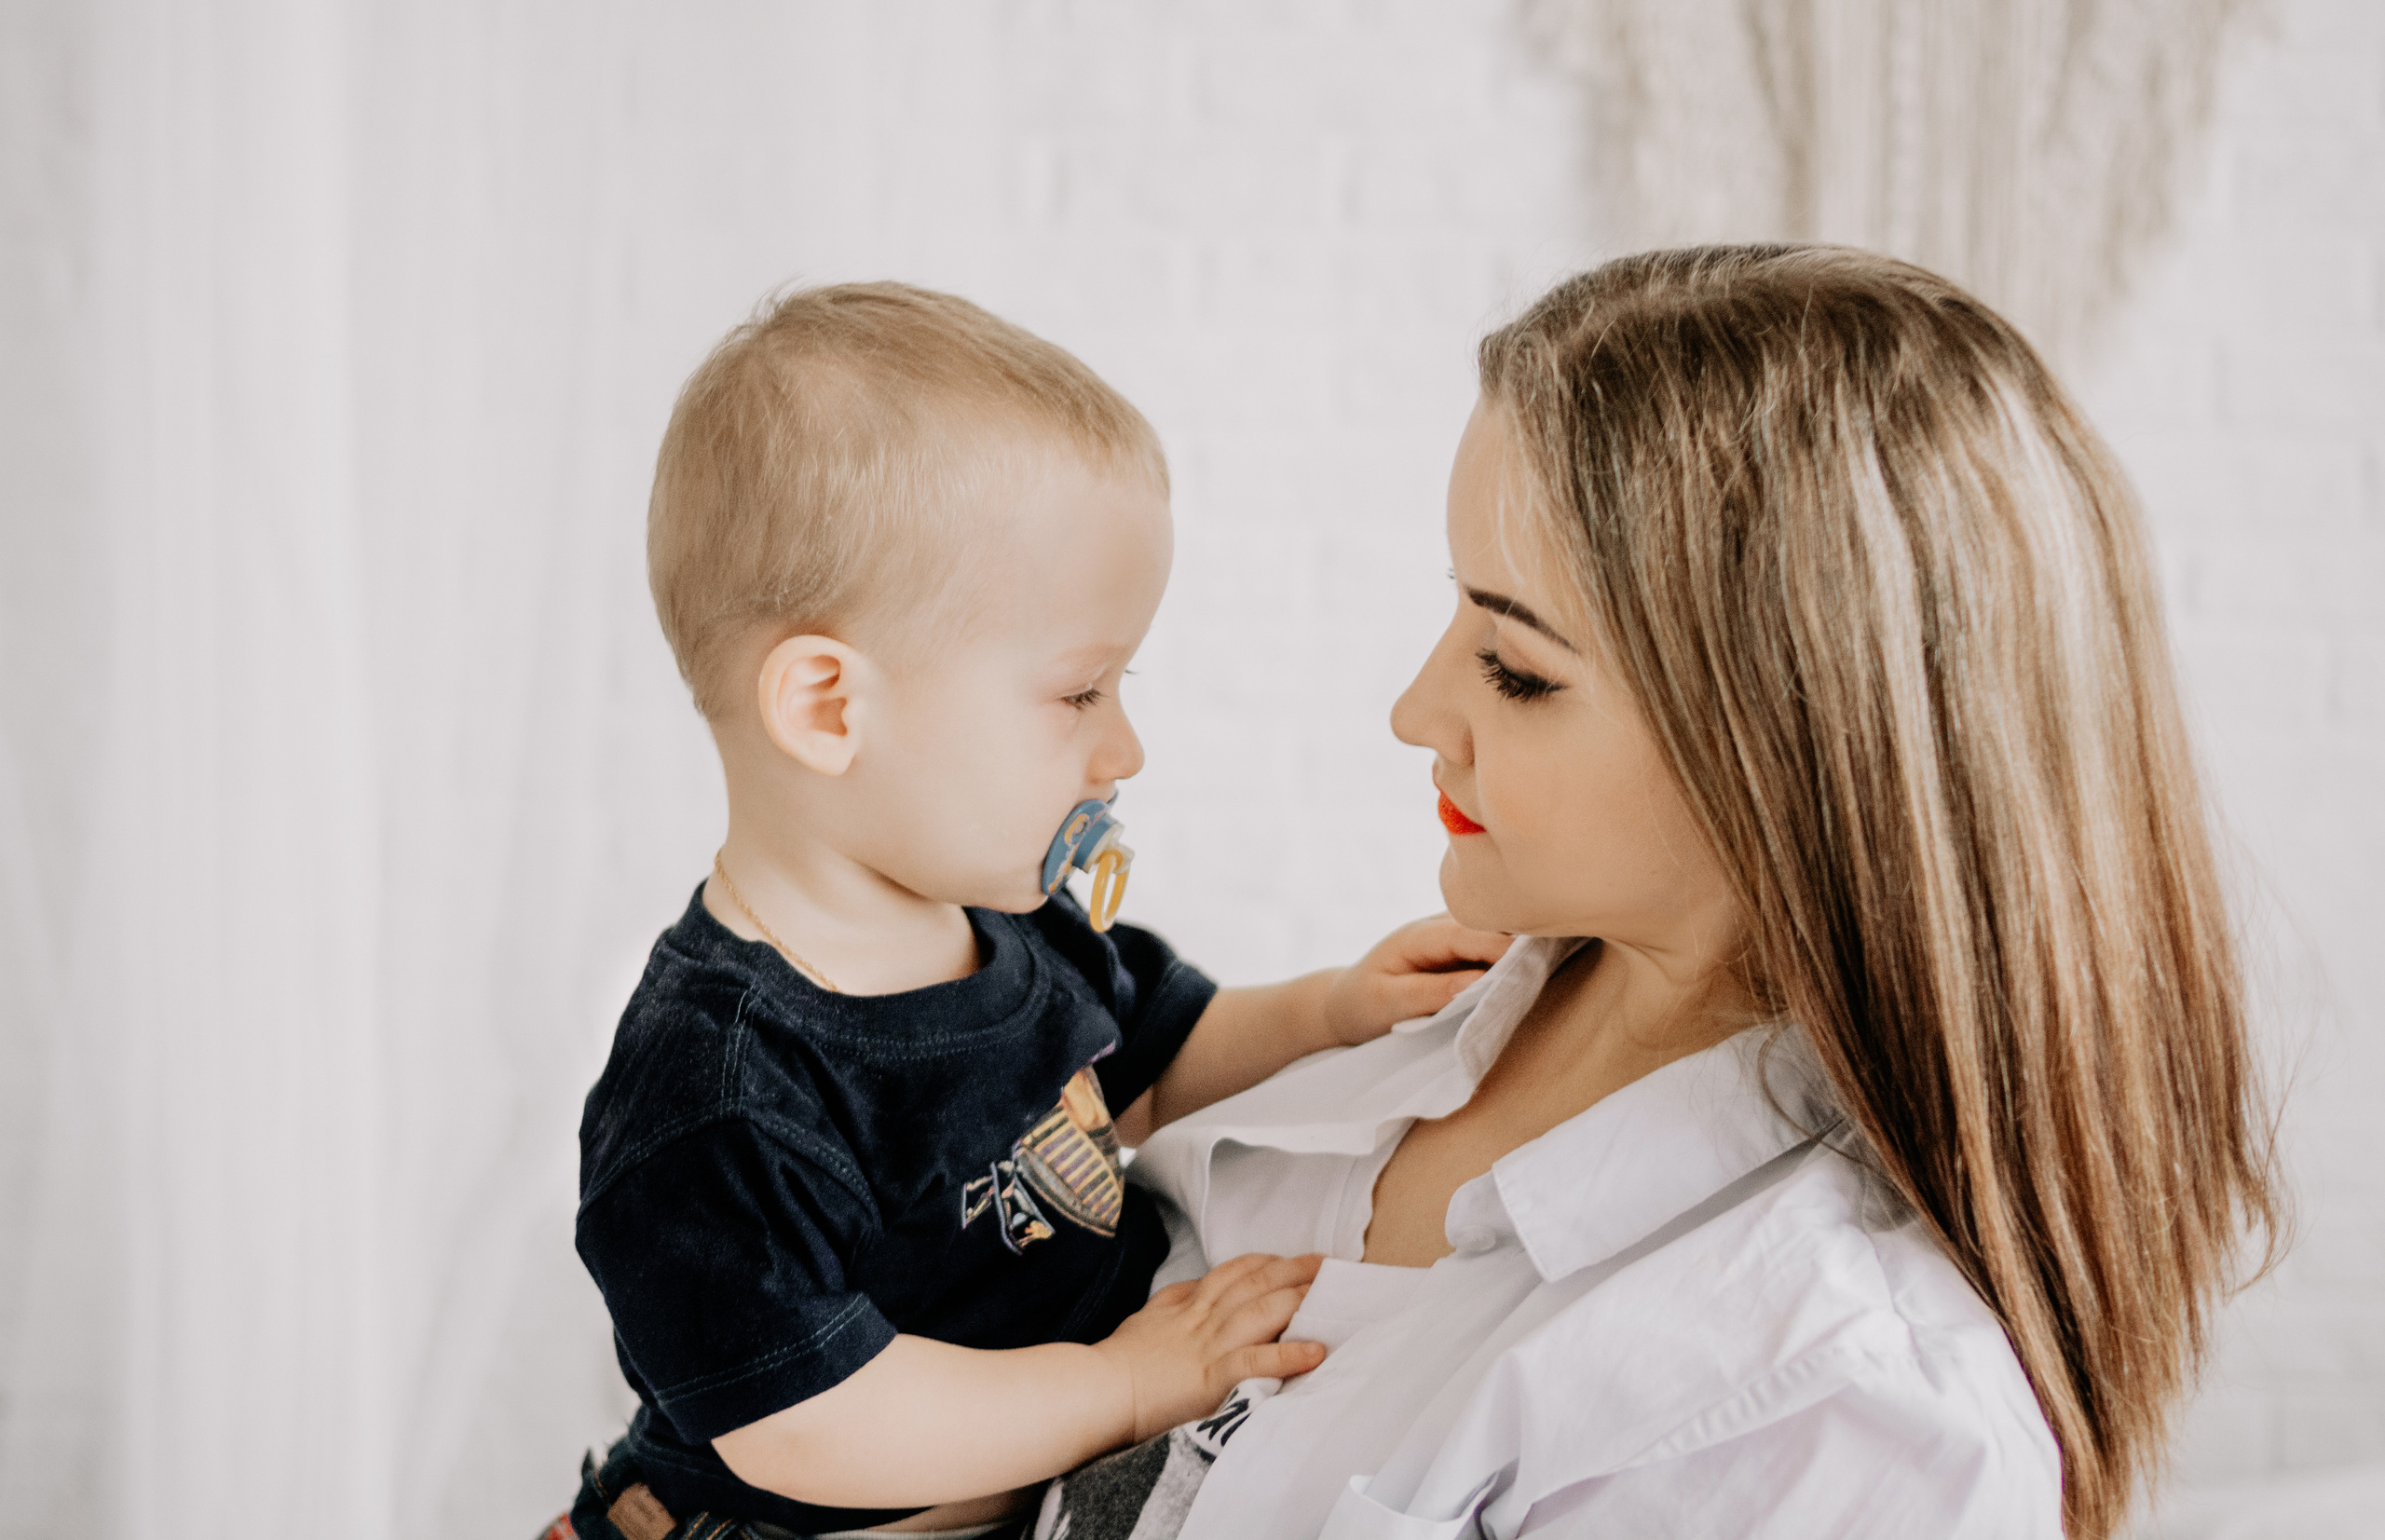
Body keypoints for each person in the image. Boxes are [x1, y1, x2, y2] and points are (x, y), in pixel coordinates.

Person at [1033, 245, 2284, 1540]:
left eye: (1516, 668)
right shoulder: (1437, 1007)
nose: (1417, 711)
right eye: (1457, 611)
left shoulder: (1834, 1417)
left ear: (1792, 758)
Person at [561, 284, 1509, 1540]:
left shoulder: (1015, 922)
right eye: (1077, 694)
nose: (1123, 747)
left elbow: (1155, 1065)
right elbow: (817, 1424)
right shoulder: (720, 1087)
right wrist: (1120, 1387)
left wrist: (1332, 1009)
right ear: (830, 710)